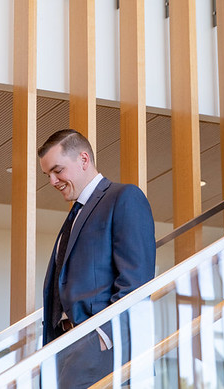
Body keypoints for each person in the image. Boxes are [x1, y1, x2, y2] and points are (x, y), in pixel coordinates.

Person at [39, 129, 155, 388]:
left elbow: (136, 281)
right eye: (48, 174)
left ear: (83, 159)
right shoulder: (75, 214)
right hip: (65, 348)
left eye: (58, 170)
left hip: (100, 350)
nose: (52, 181)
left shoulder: (123, 198)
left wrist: (102, 338)